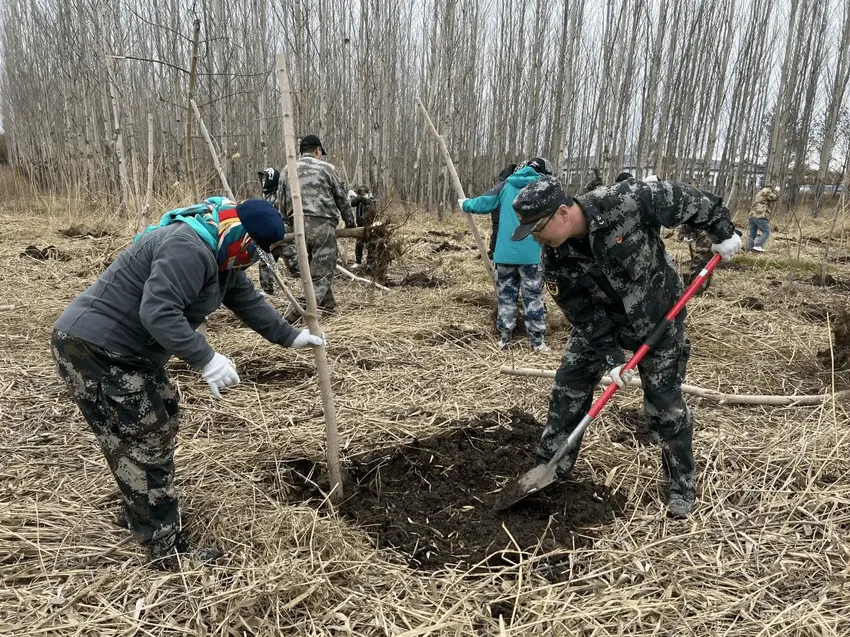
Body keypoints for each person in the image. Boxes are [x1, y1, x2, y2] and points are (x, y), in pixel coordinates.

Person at [51, 197, 324, 568]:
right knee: (146, 435)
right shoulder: (189, 247)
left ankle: (142, 510)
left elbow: (246, 300)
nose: (253, 260)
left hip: (125, 352)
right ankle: (164, 549)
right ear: (240, 235)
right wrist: (206, 358)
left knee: (158, 418)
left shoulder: (219, 251)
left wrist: (288, 337)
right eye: (254, 251)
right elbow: (158, 312)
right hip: (97, 350)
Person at [510, 175, 741, 517]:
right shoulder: (555, 260)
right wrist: (610, 358)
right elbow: (581, 313)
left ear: (562, 213)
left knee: (665, 406)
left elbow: (692, 200)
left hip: (659, 316)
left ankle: (681, 486)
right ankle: (551, 466)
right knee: (568, 387)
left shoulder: (628, 199)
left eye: (538, 228)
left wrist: (722, 232)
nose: (536, 238)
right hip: (605, 325)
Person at [459, 157, 552, 352]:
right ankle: (537, 342)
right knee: (533, 297)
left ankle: (504, 338)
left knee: (506, 297)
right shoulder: (544, 188)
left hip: (504, 254)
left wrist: (466, 204)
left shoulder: (506, 185)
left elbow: (483, 203)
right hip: (532, 255)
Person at [279, 134, 356, 319]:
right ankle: (295, 315)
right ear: (318, 151)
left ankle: (328, 305)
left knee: (314, 267)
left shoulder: (286, 170)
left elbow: (281, 203)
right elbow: (341, 198)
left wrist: (287, 223)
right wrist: (351, 223)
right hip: (322, 225)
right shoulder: (327, 168)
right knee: (322, 273)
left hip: (296, 228)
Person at [256, 167, 284, 295]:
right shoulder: (267, 196)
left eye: (266, 178)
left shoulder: (280, 195)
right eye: (263, 178)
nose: (264, 181)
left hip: (284, 235)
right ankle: (267, 289)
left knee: (296, 265)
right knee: (265, 260)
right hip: (270, 236)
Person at [348, 185, 377, 268]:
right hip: (360, 226)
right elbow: (353, 203)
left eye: (364, 195)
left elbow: (371, 208)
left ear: (368, 194)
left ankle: (370, 263)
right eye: (361, 195)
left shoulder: (371, 201)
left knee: (370, 245)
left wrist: (362, 198)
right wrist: (357, 198)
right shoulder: (359, 201)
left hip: (370, 227)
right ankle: (358, 262)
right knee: (359, 244)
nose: (362, 197)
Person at [747, 184, 780, 252]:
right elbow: (774, 198)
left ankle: (750, 248)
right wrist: (777, 191)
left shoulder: (760, 192)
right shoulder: (767, 191)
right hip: (760, 215)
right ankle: (758, 245)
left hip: (752, 215)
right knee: (766, 231)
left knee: (752, 233)